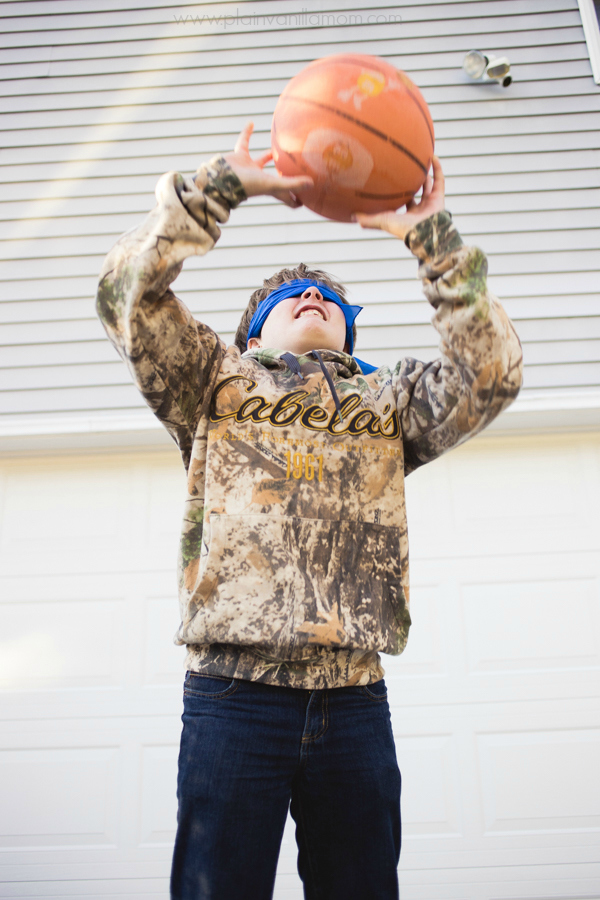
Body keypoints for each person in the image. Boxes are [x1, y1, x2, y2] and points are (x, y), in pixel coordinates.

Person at [96, 123, 523, 900]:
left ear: (350, 332)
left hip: (353, 698)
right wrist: (220, 188)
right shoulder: (214, 381)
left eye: (328, 296)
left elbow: (492, 372)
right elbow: (125, 293)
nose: (313, 295)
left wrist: (432, 241)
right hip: (233, 697)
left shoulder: (388, 399)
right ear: (252, 331)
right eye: (289, 296)